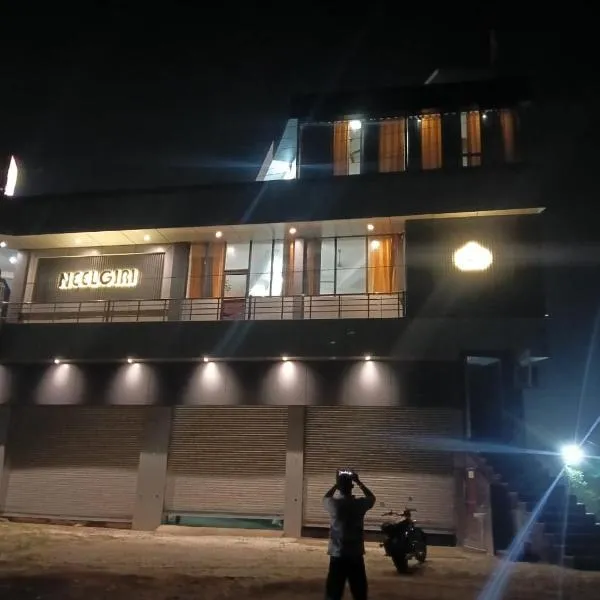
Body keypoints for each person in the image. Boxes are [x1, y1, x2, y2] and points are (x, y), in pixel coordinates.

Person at [323, 469, 376, 600]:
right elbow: (372, 498)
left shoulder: (334, 504)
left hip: (337, 554)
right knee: (359, 592)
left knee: (334, 593)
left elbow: (326, 497)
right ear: (352, 486)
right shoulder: (359, 504)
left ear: (339, 487)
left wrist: (336, 484)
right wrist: (359, 482)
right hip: (355, 554)